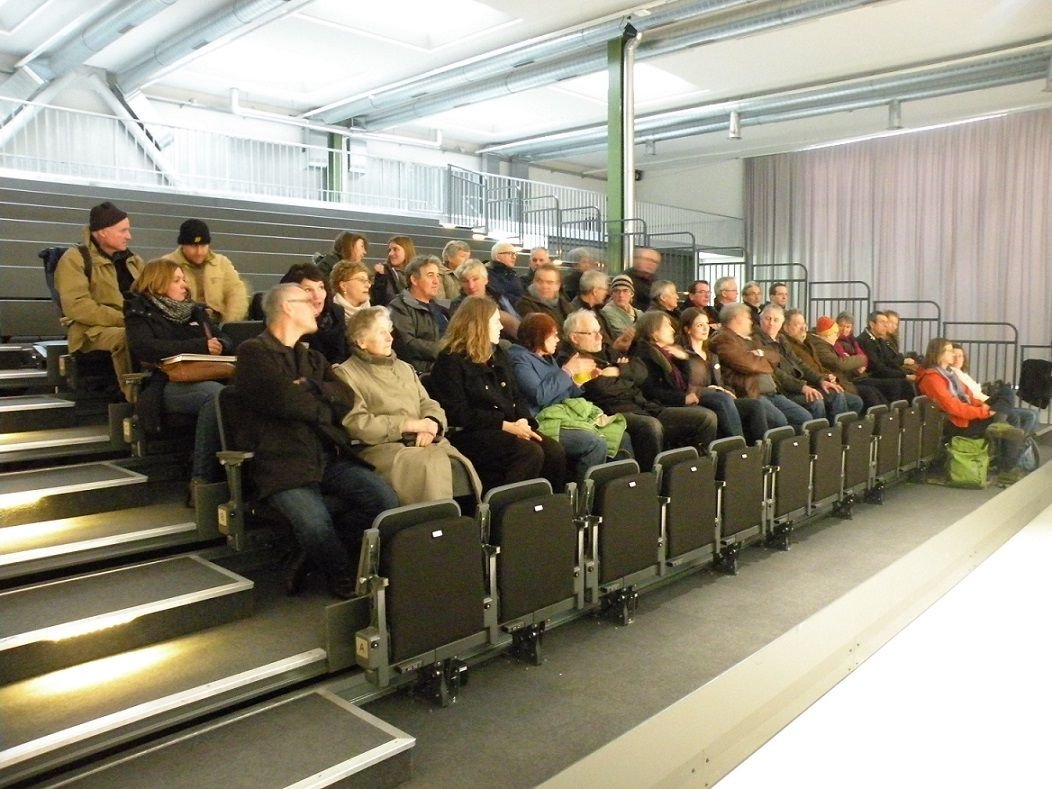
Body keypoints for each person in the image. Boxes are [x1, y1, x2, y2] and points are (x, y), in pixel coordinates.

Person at [234, 284, 400, 598]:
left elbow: (347, 398)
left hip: (326, 456)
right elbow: (287, 403)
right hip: (282, 463)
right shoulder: (253, 352)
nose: (315, 305)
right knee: (315, 524)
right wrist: (321, 401)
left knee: (384, 501)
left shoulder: (311, 357)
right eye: (306, 300)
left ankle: (307, 555)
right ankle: (342, 575)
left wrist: (310, 387)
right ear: (287, 308)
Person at [334, 306, 481, 504]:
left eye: (389, 331)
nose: (390, 338)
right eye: (381, 332)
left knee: (461, 465)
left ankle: (462, 527)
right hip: (381, 449)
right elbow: (357, 424)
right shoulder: (346, 374)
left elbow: (428, 403)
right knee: (431, 466)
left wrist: (431, 424)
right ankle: (431, 529)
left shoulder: (404, 368)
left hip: (424, 441)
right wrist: (409, 425)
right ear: (360, 341)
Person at [428, 296, 567, 493]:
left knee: (553, 450)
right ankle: (504, 510)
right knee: (529, 452)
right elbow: (457, 412)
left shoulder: (498, 354)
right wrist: (504, 424)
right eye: (495, 322)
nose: (500, 327)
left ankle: (545, 507)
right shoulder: (450, 361)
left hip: (508, 426)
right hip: (473, 432)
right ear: (479, 325)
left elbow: (515, 395)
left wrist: (524, 421)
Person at [559, 309, 717, 471]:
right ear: (574, 337)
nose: (600, 336)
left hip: (645, 405)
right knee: (650, 426)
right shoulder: (571, 360)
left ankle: (696, 471)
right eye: (592, 333)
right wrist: (624, 371)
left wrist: (618, 371)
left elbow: (640, 371)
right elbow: (600, 389)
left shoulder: (605, 350)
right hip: (614, 413)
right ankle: (652, 479)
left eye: (599, 331)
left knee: (706, 418)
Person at [124, 257, 230, 492]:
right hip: (166, 383)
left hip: (207, 375)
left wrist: (219, 344)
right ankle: (201, 480)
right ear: (159, 283)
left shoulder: (195, 311)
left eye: (184, 279)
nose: (185, 285)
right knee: (216, 397)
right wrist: (200, 345)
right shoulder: (139, 311)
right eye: (177, 280)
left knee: (231, 393)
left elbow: (224, 338)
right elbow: (147, 348)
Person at [506, 313, 630, 483]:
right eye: (553, 335)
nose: (557, 340)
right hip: (542, 420)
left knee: (620, 435)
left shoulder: (548, 359)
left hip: (562, 414)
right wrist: (567, 371)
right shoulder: (520, 359)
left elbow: (562, 395)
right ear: (539, 335)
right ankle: (581, 499)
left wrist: (580, 380)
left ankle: (613, 491)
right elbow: (539, 396)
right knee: (595, 443)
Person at [54, 201, 145, 400]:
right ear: (103, 232)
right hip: (90, 332)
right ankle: (136, 399)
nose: (129, 236)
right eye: (123, 231)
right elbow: (77, 306)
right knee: (127, 337)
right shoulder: (74, 259)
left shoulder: (133, 260)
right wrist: (125, 319)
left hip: (133, 321)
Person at [632, 310, 755, 444]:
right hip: (659, 406)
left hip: (681, 396)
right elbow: (651, 390)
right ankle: (734, 447)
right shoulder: (645, 354)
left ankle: (752, 448)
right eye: (667, 326)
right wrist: (683, 398)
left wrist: (683, 359)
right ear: (653, 332)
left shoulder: (668, 353)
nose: (673, 329)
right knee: (710, 412)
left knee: (752, 404)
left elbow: (683, 381)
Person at [915, 337, 1027, 485]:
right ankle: (1007, 468)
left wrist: (982, 406)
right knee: (1011, 418)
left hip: (969, 413)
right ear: (939, 353)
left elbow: (967, 396)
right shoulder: (932, 378)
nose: (953, 355)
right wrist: (984, 413)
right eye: (949, 351)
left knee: (1006, 392)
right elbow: (953, 407)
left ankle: (998, 422)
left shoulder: (950, 374)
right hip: (958, 423)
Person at [708, 302, 812, 430]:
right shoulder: (723, 339)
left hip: (773, 393)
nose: (751, 321)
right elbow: (749, 365)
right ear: (736, 318)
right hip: (752, 393)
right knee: (780, 421)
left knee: (804, 418)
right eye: (747, 317)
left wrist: (760, 355)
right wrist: (764, 361)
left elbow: (774, 357)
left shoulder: (749, 338)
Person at [679, 307, 768, 443]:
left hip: (719, 396)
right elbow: (685, 386)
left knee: (754, 405)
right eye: (699, 325)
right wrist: (715, 390)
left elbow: (721, 382)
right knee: (722, 399)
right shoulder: (683, 355)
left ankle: (761, 451)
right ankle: (738, 447)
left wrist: (728, 391)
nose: (705, 328)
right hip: (697, 397)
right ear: (687, 329)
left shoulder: (711, 354)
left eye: (706, 324)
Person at [167, 219, 248, 323]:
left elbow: (236, 293)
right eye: (193, 246)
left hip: (218, 322)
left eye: (203, 245)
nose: (199, 252)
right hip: (183, 324)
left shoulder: (221, 263)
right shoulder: (167, 264)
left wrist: (229, 324)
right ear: (182, 245)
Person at [950, 343, 1037, 435]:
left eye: (960, 356)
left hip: (986, 401)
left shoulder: (962, 374)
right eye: (954, 356)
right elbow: (967, 396)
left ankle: (1015, 435)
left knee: (1007, 391)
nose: (957, 359)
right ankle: (1002, 425)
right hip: (980, 404)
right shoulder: (952, 374)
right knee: (1029, 415)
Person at [808, 315, 887, 411]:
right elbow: (839, 364)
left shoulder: (841, 342)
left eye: (848, 326)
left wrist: (857, 368)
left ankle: (887, 416)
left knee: (873, 391)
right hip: (840, 380)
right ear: (827, 335)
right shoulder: (821, 346)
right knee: (863, 396)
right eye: (835, 333)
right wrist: (863, 359)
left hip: (846, 378)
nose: (837, 335)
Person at [388, 254, 449, 373]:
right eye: (430, 275)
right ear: (414, 280)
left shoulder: (442, 307)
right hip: (422, 373)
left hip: (447, 366)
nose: (436, 281)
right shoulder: (398, 307)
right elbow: (408, 344)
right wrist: (445, 351)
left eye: (438, 276)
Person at [279, 262, 346, 364]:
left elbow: (340, 355)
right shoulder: (282, 319)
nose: (317, 295)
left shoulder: (335, 314)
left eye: (321, 287)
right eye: (308, 289)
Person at [451, 259, 519, 339]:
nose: (471, 286)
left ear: (485, 279)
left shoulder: (498, 297)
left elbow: (516, 321)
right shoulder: (458, 305)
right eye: (465, 281)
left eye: (475, 279)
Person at [515, 263, 573, 331]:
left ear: (558, 285)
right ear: (533, 282)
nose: (544, 286)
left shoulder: (564, 303)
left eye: (549, 282)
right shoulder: (524, 305)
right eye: (539, 281)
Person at [371, 235, 415, 306]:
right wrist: (382, 277)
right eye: (389, 250)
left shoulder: (416, 273)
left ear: (406, 251)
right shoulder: (383, 273)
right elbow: (380, 301)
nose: (390, 254)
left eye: (395, 249)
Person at [485, 241, 526, 305]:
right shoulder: (488, 275)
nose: (514, 257)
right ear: (497, 257)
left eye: (515, 254)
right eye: (510, 253)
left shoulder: (513, 275)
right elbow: (501, 297)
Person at [601, 274, 639, 341]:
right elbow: (623, 335)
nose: (621, 295)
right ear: (611, 294)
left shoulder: (638, 313)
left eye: (625, 291)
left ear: (632, 294)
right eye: (616, 291)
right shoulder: (607, 311)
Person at [627, 247, 661, 311]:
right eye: (648, 260)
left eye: (655, 262)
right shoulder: (626, 279)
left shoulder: (655, 280)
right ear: (637, 260)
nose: (651, 264)